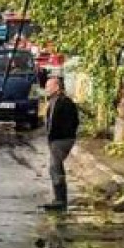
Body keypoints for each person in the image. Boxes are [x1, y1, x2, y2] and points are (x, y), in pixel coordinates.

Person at [42, 76, 78, 210]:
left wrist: (56, 136)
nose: (46, 89)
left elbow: (70, 122)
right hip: (57, 139)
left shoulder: (64, 102)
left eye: (48, 86)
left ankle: (60, 200)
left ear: (57, 87)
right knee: (55, 167)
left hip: (61, 139)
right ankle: (59, 199)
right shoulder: (55, 101)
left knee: (55, 168)